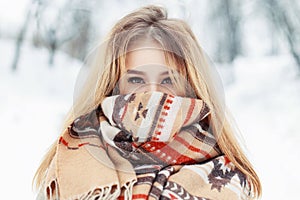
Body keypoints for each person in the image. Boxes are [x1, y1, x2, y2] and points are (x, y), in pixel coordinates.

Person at [33, 5, 262, 200]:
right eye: (135, 79)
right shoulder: (72, 164)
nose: (153, 93)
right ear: (113, 85)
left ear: (191, 86)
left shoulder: (228, 178)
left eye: (168, 80)